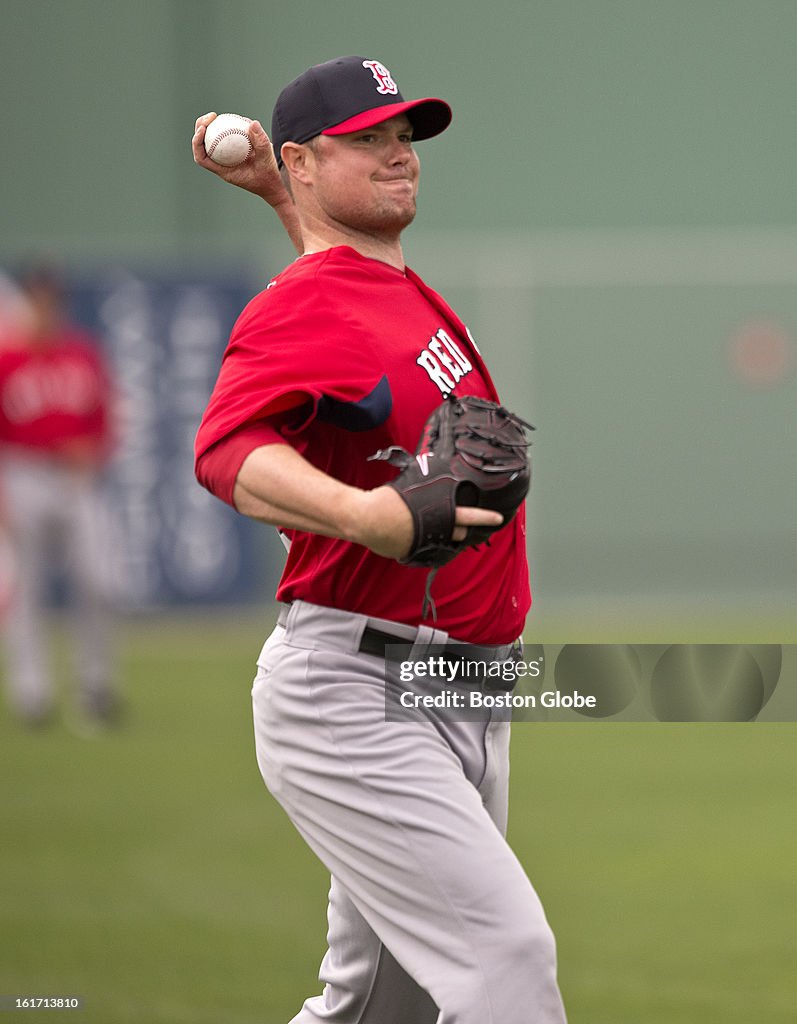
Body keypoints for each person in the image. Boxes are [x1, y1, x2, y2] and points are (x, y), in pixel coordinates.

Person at [192, 56, 567, 1024]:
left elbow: (334, 292)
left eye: (402, 137)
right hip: (359, 692)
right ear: (305, 159)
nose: (397, 155)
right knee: (504, 962)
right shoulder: (306, 303)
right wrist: (368, 516)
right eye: (366, 140)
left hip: (458, 684)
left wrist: (287, 197)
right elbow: (227, 449)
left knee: (378, 1006)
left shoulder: (373, 285)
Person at [0, 264, 119, 728]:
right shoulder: (8, 359)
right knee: (25, 588)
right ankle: (33, 692)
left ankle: (96, 686)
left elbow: (107, 414)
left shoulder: (81, 353)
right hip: (23, 473)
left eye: (54, 298)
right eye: (39, 298)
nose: (48, 307)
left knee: (98, 580)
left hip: (77, 479)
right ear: (27, 302)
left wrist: (97, 449)